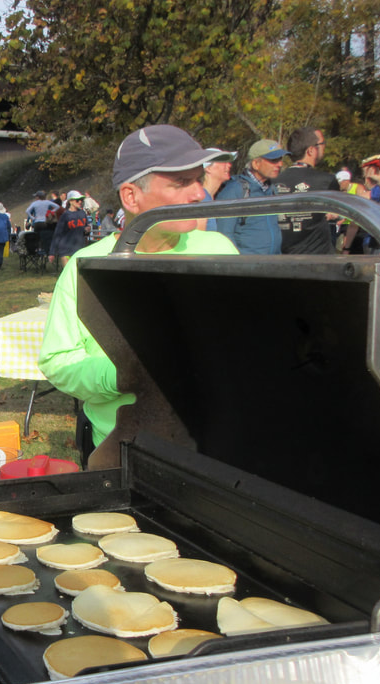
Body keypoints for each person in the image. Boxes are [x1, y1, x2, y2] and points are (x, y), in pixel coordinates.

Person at [40, 125, 238, 468]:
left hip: (214, 453)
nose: (199, 194)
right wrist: (120, 374)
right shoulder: (89, 266)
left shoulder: (220, 251)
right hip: (122, 454)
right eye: (182, 183)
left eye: (198, 179)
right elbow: (57, 360)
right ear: (131, 196)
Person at [272, 127, 339, 254]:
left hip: (282, 258)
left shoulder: (274, 181)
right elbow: (337, 213)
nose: (324, 147)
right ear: (311, 151)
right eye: (322, 144)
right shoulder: (326, 181)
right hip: (318, 261)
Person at [217, 138, 288, 254]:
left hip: (272, 266)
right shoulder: (235, 190)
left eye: (280, 159)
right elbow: (225, 234)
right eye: (274, 160)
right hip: (247, 268)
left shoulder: (272, 189)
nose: (280, 164)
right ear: (256, 164)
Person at [48, 190, 90, 270]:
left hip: (79, 250)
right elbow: (57, 234)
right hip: (66, 250)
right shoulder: (65, 215)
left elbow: (85, 231)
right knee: (68, 274)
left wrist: (87, 230)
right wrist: (52, 252)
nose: (80, 202)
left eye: (81, 200)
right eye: (77, 200)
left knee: (78, 276)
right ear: (71, 201)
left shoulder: (82, 213)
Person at [198, 148, 235, 232]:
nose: (229, 165)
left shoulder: (209, 199)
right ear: (208, 168)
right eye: (223, 161)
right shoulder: (201, 200)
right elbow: (198, 239)